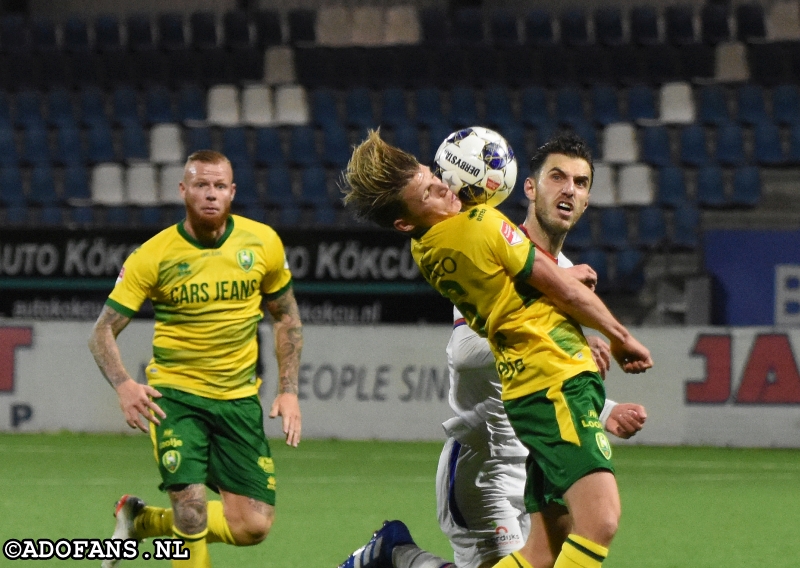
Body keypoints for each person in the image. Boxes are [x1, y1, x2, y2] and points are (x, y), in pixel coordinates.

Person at [341, 131, 653, 568]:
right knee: (591, 527)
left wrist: (599, 397)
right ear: (525, 187)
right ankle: (398, 557)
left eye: (581, 183)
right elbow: (468, 352)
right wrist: (578, 329)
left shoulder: (552, 269)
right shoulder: (480, 242)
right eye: (557, 177)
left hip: (533, 443)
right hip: (484, 461)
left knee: (548, 553)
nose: (568, 190)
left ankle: (395, 556)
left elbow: (535, 326)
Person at [88, 150, 303, 568]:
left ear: (233, 192)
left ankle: (140, 519)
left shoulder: (263, 243)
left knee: (253, 526)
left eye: (219, 186)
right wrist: (124, 385)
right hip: (176, 398)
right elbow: (101, 331)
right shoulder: (153, 255)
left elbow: (287, 317)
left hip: (238, 400)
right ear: (183, 190)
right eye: (201, 185)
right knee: (191, 509)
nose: (210, 194)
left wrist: (289, 391)